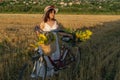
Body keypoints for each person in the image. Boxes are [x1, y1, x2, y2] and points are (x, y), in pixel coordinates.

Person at [34, 5, 72, 77]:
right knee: (46, 58)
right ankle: (46, 74)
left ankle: (54, 73)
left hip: (55, 43)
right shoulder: (43, 23)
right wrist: (37, 31)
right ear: (47, 13)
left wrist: (67, 34)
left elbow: (59, 31)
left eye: (54, 13)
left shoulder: (55, 22)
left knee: (55, 58)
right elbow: (38, 32)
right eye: (51, 12)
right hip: (47, 44)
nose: (53, 14)